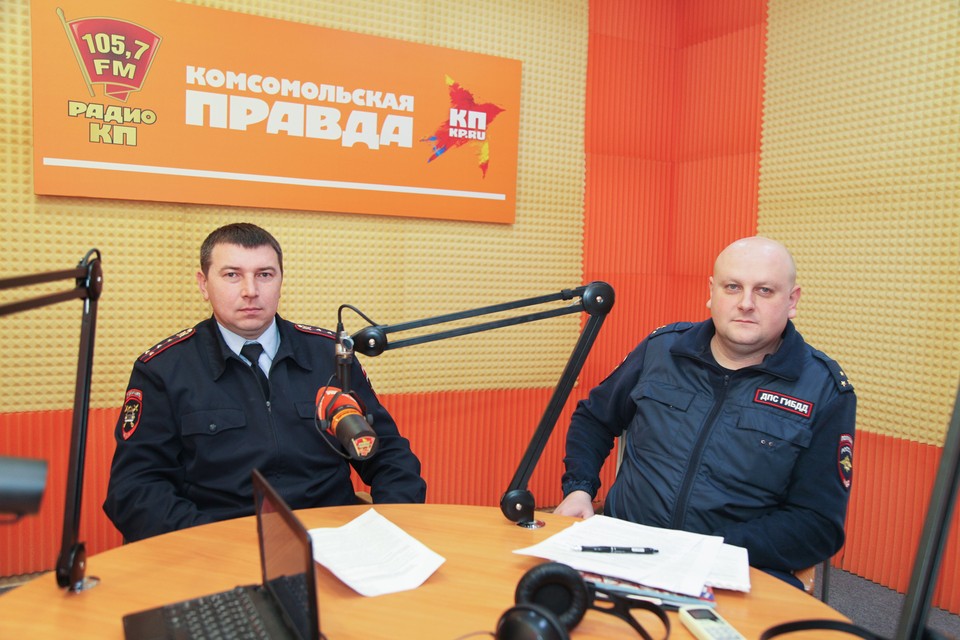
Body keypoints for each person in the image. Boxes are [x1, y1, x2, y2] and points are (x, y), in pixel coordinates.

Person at [554, 236, 855, 587]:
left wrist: (706, 549)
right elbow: (594, 419)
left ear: (792, 301)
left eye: (764, 291)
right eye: (732, 287)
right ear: (712, 292)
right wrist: (579, 488)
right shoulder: (661, 350)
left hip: (736, 569)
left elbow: (817, 525)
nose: (745, 303)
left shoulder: (824, 389)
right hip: (625, 554)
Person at [104, 223, 426, 542]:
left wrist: (387, 528)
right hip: (220, 545)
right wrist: (211, 542)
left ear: (281, 281)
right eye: (232, 275)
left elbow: (389, 455)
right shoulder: (163, 370)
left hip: (333, 541)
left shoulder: (330, 356)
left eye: (264, 274)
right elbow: (135, 489)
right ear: (203, 284)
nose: (250, 291)